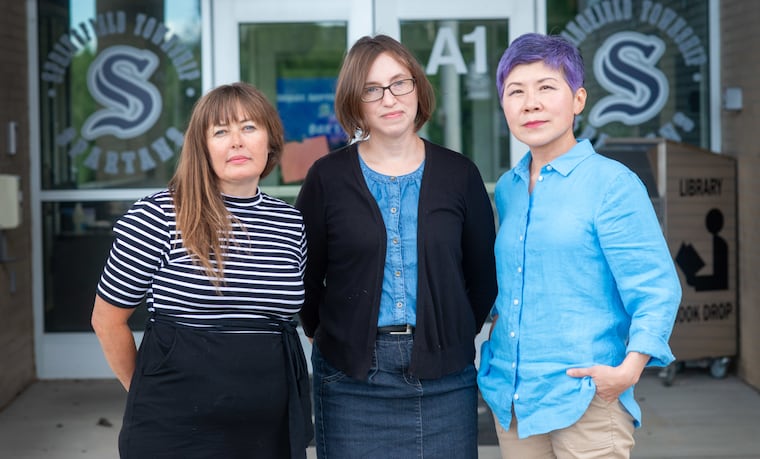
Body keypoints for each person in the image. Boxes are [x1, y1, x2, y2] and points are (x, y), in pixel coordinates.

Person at [477, 32, 682, 459]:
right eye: (516, 92)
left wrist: (629, 370)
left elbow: (656, 287)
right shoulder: (510, 189)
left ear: (578, 99)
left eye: (546, 88)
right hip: (513, 400)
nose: (530, 103)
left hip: (586, 399)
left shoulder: (611, 185)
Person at [295, 34, 498, 458]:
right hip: (350, 380)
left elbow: (482, 278)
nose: (389, 98)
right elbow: (305, 279)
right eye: (372, 89)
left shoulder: (459, 174)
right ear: (355, 102)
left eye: (399, 83)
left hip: (445, 375)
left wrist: (450, 331)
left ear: (418, 88)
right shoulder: (326, 178)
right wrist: (334, 335)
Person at [91, 82, 312, 459]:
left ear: (270, 142)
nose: (237, 142)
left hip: (269, 424)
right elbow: (107, 320)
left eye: (249, 127)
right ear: (202, 147)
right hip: (174, 427)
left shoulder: (289, 222)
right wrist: (146, 391)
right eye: (221, 131)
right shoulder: (158, 214)